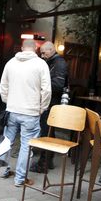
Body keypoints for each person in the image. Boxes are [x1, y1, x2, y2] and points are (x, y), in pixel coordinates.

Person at [0, 39, 51, 187]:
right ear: (35, 49)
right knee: (26, 146)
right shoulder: (41, 64)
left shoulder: (10, 63)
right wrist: (43, 107)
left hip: (12, 110)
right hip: (30, 111)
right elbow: (46, 90)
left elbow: (3, 86)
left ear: (22, 48)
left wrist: (8, 101)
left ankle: (3, 171)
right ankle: (20, 179)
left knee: (6, 143)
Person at [30, 41, 68, 173]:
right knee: (48, 132)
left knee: (47, 132)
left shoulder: (59, 63)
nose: (42, 55)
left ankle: (44, 163)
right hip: (49, 103)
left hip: (52, 104)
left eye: (43, 52)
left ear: (51, 50)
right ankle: (47, 161)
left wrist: (40, 84)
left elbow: (58, 85)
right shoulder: (52, 62)